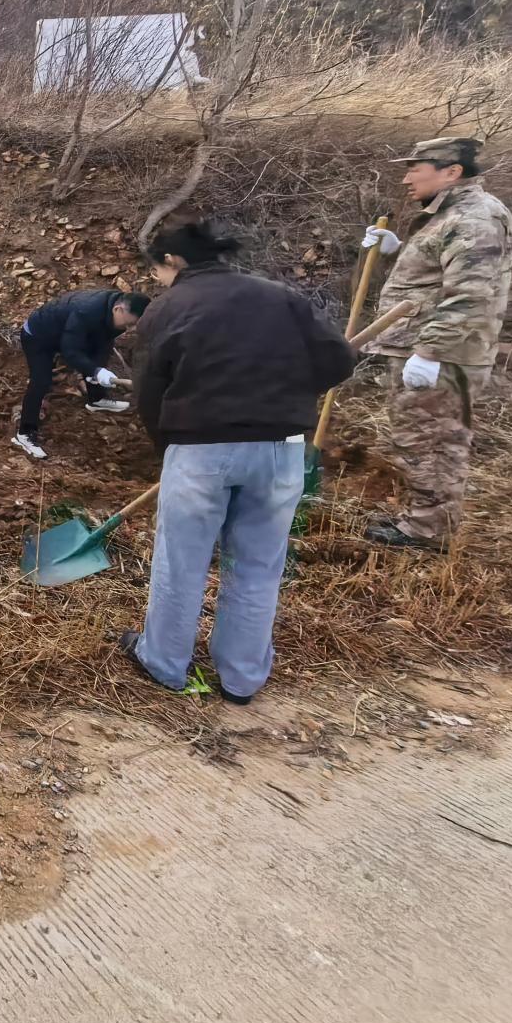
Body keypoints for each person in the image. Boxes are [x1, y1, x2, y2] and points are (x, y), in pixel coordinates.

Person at [119, 223, 356, 704]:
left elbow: (149, 393)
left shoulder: (170, 307)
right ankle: (242, 678)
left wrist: (167, 447)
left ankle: (164, 663)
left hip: (201, 449)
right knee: (257, 567)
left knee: (181, 564)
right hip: (280, 450)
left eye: (156, 269)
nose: (157, 279)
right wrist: (282, 391)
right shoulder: (281, 297)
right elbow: (338, 363)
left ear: (172, 261)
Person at [358, 137, 512, 551]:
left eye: (416, 168)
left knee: (430, 441)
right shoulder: (449, 214)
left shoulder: (474, 218)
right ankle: (428, 522)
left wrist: (429, 352)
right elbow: (434, 278)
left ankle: (427, 530)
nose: (407, 178)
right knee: (427, 437)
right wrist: (395, 252)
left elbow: (471, 296)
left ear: (451, 172)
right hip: (432, 347)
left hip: (444, 354)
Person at [11, 288, 150, 459]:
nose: (129, 330)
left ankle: (96, 400)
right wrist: (94, 370)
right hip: (39, 335)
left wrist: (98, 369)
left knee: (98, 357)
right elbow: (70, 352)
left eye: (134, 325)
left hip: (67, 332)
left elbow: (102, 343)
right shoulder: (86, 311)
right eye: (128, 325)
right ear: (118, 309)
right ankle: (25, 434)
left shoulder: (116, 312)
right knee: (41, 381)